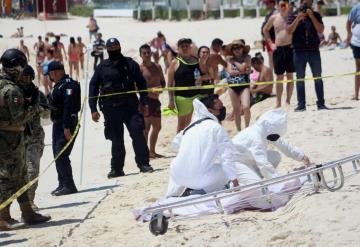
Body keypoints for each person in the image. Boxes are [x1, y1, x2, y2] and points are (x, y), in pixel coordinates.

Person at [0, 49, 51, 231]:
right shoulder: (11, 90)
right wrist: (34, 107)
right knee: (7, 178)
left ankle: (27, 212)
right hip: (9, 141)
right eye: (20, 65)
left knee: (21, 177)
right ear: (15, 65)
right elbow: (20, 118)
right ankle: (3, 217)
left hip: (12, 140)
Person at [89, 38, 154, 178]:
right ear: (107, 49)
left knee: (138, 134)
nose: (113, 49)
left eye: (115, 46)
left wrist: (145, 102)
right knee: (116, 139)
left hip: (130, 107)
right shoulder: (102, 67)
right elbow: (93, 86)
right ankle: (117, 169)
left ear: (120, 47)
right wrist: (93, 109)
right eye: (110, 47)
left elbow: (141, 84)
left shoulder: (130, 64)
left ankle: (144, 163)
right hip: (111, 109)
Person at [166, 95, 239, 197]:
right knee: (226, 170)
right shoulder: (216, 127)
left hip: (176, 176)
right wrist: (235, 182)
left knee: (181, 165)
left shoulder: (189, 127)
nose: (223, 109)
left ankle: (171, 196)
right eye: (220, 107)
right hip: (196, 179)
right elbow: (227, 157)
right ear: (210, 111)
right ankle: (196, 193)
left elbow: (175, 144)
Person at [232, 109, 311, 180]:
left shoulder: (265, 130)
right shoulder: (256, 138)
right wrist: (277, 180)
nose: (276, 138)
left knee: (275, 156)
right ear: (271, 130)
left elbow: (283, 144)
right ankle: (234, 182)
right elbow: (263, 163)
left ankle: (253, 175)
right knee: (255, 185)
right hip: (236, 162)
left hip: (248, 158)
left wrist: (301, 156)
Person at [48, 61, 81, 196]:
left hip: (66, 123)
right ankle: (62, 183)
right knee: (57, 154)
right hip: (58, 123)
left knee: (62, 154)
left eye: (50, 74)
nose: (50, 77)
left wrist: (66, 127)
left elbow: (68, 106)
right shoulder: (59, 85)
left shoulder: (69, 85)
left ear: (55, 72)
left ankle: (69, 185)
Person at [287, 0, 327, 111]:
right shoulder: (293, 15)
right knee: (300, 79)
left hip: (314, 50)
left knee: (318, 78)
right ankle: (301, 105)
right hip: (298, 51)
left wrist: (312, 16)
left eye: (309, 1)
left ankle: (321, 103)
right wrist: (297, 19)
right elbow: (289, 31)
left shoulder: (316, 15)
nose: (306, 3)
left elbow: (321, 30)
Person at [21, 65, 50, 210]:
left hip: (34, 139)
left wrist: (41, 108)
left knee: (32, 171)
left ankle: (30, 202)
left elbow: (47, 116)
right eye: (23, 76)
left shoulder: (38, 94)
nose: (25, 79)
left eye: (28, 76)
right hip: (16, 140)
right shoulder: (14, 93)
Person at [167, 38, 203, 133]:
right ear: (178, 49)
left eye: (186, 46)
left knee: (189, 122)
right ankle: (179, 144)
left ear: (190, 47)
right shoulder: (174, 63)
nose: (185, 48)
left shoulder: (196, 60)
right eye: (182, 46)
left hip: (196, 96)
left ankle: (186, 142)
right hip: (182, 97)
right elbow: (170, 84)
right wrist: (171, 100)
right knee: (181, 123)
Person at [263, 0, 294, 108]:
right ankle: (278, 102)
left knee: (290, 75)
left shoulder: (292, 17)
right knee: (279, 77)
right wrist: (270, 43)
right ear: (278, 6)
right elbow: (265, 29)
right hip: (279, 48)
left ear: (288, 5)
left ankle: (288, 100)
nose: (283, 7)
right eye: (281, 5)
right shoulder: (274, 18)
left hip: (290, 48)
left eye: (285, 5)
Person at [139, 44, 166, 159]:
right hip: (145, 101)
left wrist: (160, 89)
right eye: (144, 53)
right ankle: (145, 153)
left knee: (157, 127)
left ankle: (152, 151)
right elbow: (136, 87)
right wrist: (150, 91)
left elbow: (163, 82)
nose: (146, 55)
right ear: (140, 55)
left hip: (156, 101)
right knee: (146, 128)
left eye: (148, 52)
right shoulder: (140, 69)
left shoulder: (157, 66)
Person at [226, 40, 251, 131]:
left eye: (239, 47)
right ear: (232, 50)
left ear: (242, 49)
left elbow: (243, 67)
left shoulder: (247, 57)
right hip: (232, 86)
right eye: (234, 48)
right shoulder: (228, 59)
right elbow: (230, 72)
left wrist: (235, 62)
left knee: (246, 107)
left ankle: (247, 128)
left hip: (244, 85)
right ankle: (239, 130)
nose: (237, 50)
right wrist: (242, 72)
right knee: (236, 110)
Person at [346, 3, 360, 100]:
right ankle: (356, 94)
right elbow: (348, 22)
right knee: (358, 68)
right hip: (357, 43)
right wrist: (349, 34)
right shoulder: (356, 7)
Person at [261, 0, 277, 71]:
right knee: (270, 58)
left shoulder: (276, 13)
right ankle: (271, 73)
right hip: (268, 38)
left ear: (273, 4)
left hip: (274, 39)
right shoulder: (269, 13)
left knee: (274, 58)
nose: (266, 5)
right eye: (265, 4)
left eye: (267, 4)